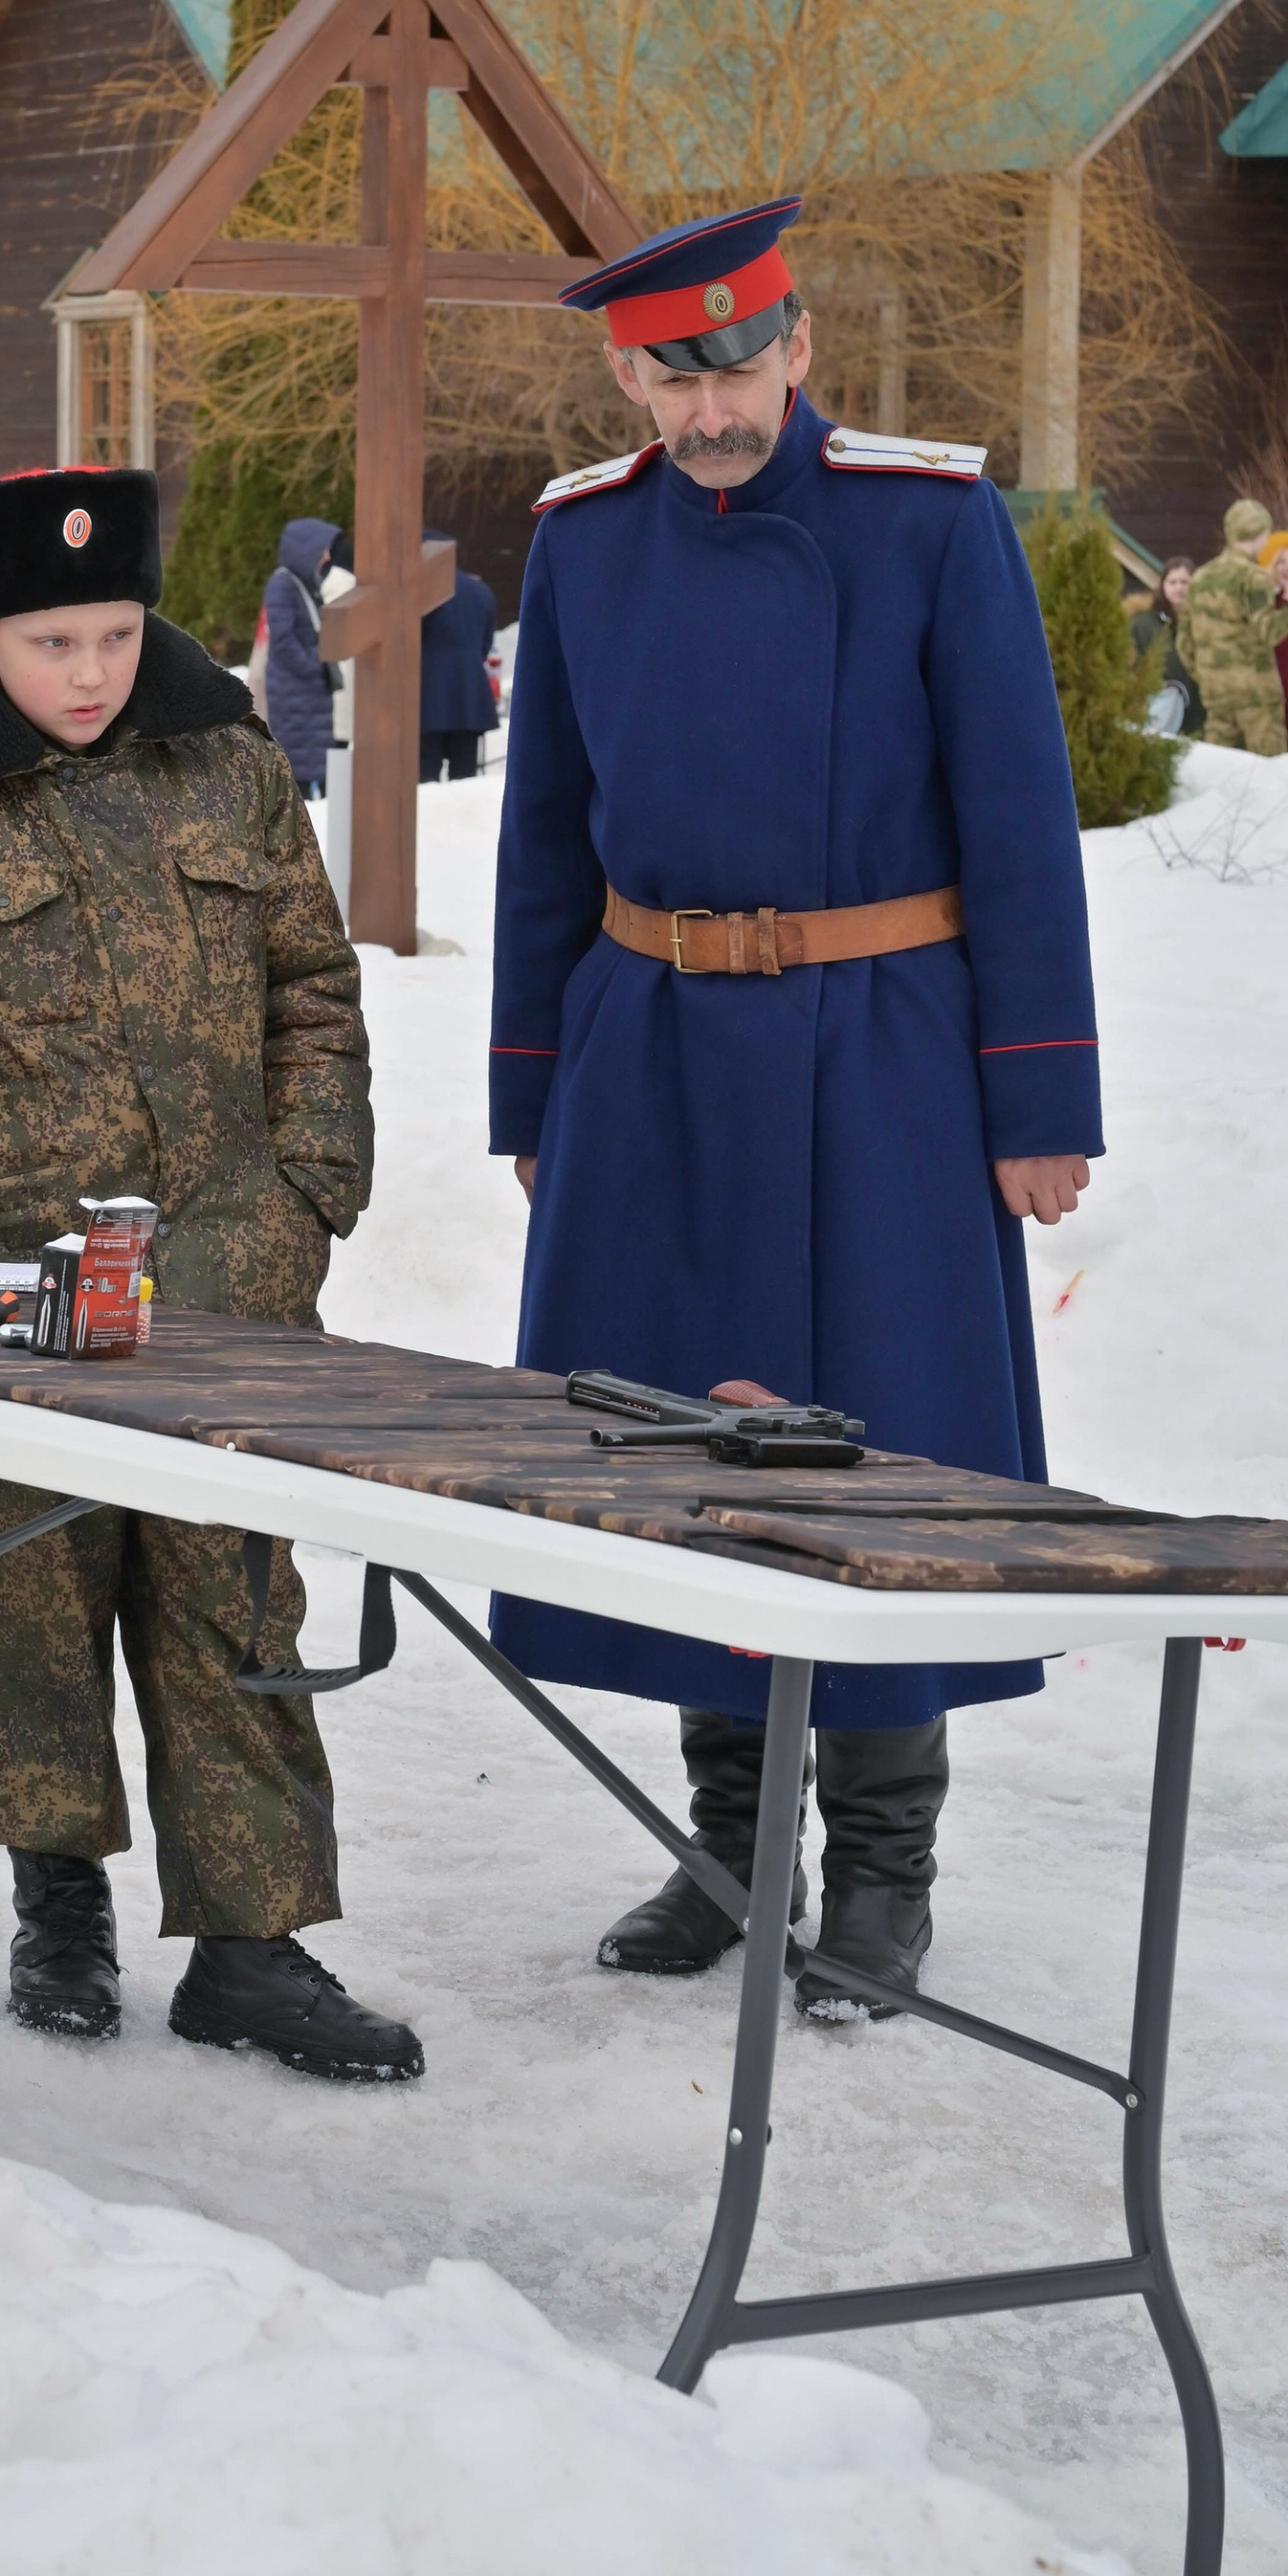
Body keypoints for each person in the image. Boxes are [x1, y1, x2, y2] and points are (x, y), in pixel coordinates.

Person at [489, 201, 1099, 2018]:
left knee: (884, 1450)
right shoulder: (586, 546)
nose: (711, 412)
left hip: (885, 1054)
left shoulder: (928, 519)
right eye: (673, 381)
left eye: (738, 368)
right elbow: (541, 832)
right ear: (627, 375)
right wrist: (535, 1079)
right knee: (675, 1443)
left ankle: (885, 1876)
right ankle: (725, 1849)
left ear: (799, 346)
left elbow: (1019, 817)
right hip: (654, 1048)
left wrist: (1038, 1094)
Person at [0, 463, 420, 2083]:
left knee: (234, 1595)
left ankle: (253, 1944)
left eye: (116, 632)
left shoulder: (228, 764)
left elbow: (313, 988)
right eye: (52, 637)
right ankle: (56, 1902)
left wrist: (306, 1194)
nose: (88, 669)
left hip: (226, 1261)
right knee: (38, 1597)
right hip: (17, 1271)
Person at [1175, 500, 1288, 757]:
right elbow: (1270, 632)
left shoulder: (1201, 578)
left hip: (1216, 694)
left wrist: (1207, 675)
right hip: (1257, 696)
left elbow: (1184, 642)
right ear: (1260, 535)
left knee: (1220, 769)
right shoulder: (1254, 577)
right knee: (1271, 771)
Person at [261, 516, 341, 795]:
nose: (328, 556)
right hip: (296, 694)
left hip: (305, 695)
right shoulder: (283, 584)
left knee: (311, 764)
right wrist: (315, 664)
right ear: (306, 550)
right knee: (299, 775)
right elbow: (283, 640)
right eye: (323, 549)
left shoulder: (302, 584)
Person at [418, 559, 500, 783]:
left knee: (425, 775)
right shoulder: (480, 591)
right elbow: (485, 644)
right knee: (465, 774)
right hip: (470, 693)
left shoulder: (422, 592)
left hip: (429, 694)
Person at [1130, 557, 1204, 742]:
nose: (1179, 588)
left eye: (1184, 582)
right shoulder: (1143, 624)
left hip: (1200, 711)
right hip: (1160, 707)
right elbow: (1131, 660)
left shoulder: (1205, 623)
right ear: (1163, 585)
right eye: (1172, 582)